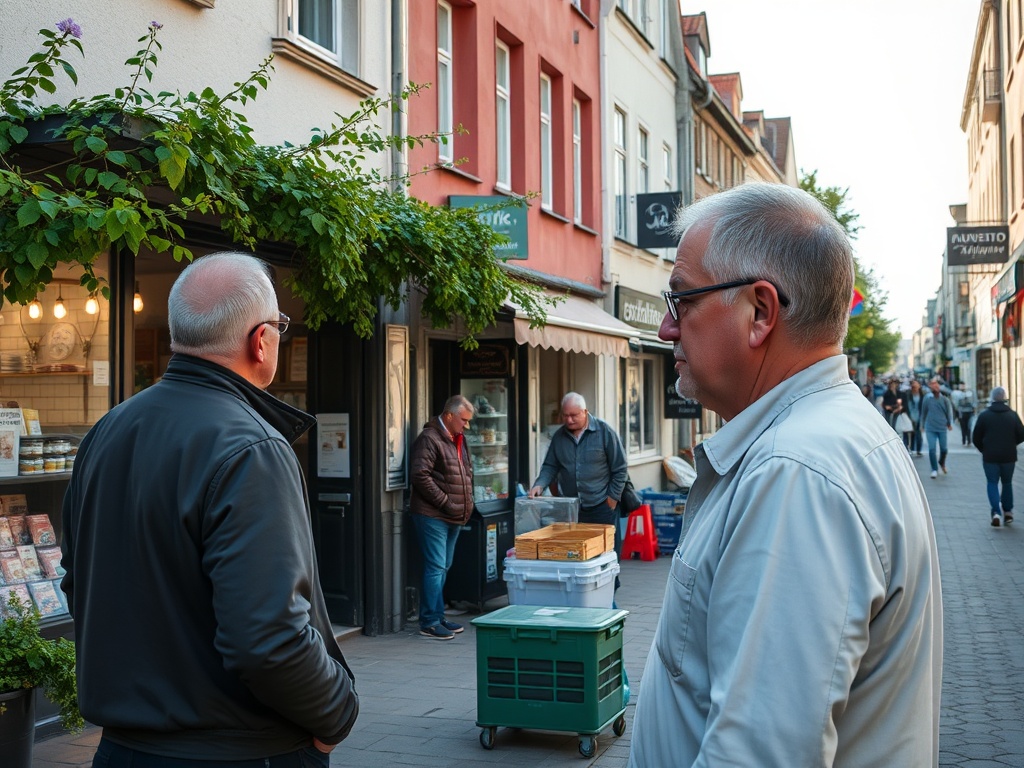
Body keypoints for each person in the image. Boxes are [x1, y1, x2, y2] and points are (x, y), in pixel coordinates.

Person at [629, 183, 941, 767]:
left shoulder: (796, 472)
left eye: (682, 301)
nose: (668, 329)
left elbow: (759, 753)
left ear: (760, 312)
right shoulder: (825, 442)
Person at [61, 252, 359, 765]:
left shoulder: (107, 431)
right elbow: (268, 639)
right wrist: (337, 713)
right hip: (235, 749)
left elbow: (77, 580)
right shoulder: (254, 447)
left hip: (123, 748)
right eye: (279, 326)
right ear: (259, 340)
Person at [528, 392, 628, 557]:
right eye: (565, 415)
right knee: (575, 555)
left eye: (574, 415)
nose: (569, 420)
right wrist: (539, 484)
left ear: (585, 412)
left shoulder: (604, 432)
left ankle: (610, 584)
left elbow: (620, 468)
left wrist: (612, 498)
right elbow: (550, 466)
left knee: (606, 556)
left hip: (601, 505)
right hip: (571, 509)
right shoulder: (559, 437)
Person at [409, 395, 475, 640]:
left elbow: (466, 471)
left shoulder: (458, 438)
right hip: (433, 515)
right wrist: (446, 502)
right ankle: (429, 621)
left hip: (454, 515)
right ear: (449, 416)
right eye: (464, 420)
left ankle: (437, 615)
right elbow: (420, 475)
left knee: (443, 566)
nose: (466, 425)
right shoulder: (429, 438)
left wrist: (466, 504)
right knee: (436, 566)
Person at [972, 386, 1024, 527]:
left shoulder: (984, 415)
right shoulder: (1012, 415)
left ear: (992, 398)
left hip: (990, 456)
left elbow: (976, 437)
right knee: (1007, 483)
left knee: (992, 483)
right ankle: (1008, 512)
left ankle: (996, 512)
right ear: (1004, 398)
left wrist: (983, 449)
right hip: (1009, 456)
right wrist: (1012, 444)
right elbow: (1021, 434)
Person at [921, 377, 955, 479]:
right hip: (930, 427)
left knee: (944, 449)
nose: (934, 386)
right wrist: (922, 425)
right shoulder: (927, 398)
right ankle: (934, 469)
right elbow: (923, 412)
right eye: (932, 384)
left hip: (942, 427)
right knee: (932, 449)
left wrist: (949, 424)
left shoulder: (944, 399)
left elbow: (949, 412)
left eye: (936, 384)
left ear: (939, 386)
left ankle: (941, 462)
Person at [904, 378, 927, 457]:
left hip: (919, 416)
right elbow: (906, 405)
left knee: (918, 433)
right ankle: (910, 448)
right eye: (913, 385)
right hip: (910, 416)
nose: (914, 386)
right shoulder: (908, 394)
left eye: (916, 384)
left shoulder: (923, 395)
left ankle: (918, 450)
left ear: (919, 386)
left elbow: (924, 406)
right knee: (910, 433)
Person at [954, 382, 977, 446]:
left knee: (969, 426)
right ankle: (964, 440)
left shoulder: (970, 392)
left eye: (963, 385)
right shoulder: (958, 394)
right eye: (961, 386)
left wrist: (974, 409)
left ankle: (969, 440)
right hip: (962, 413)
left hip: (970, 412)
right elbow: (956, 404)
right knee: (963, 427)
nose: (962, 387)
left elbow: (974, 401)